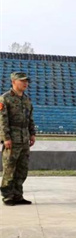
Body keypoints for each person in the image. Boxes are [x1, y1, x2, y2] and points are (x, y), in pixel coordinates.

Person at [1, 72, 36, 206]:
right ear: (14, 82)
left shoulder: (26, 100)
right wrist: (6, 138)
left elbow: (30, 119)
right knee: (9, 168)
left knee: (22, 169)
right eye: (22, 81)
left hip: (24, 139)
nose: (25, 83)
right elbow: (2, 120)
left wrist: (32, 134)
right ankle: (8, 196)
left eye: (26, 81)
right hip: (12, 139)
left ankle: (18, 195)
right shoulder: (5, 99)